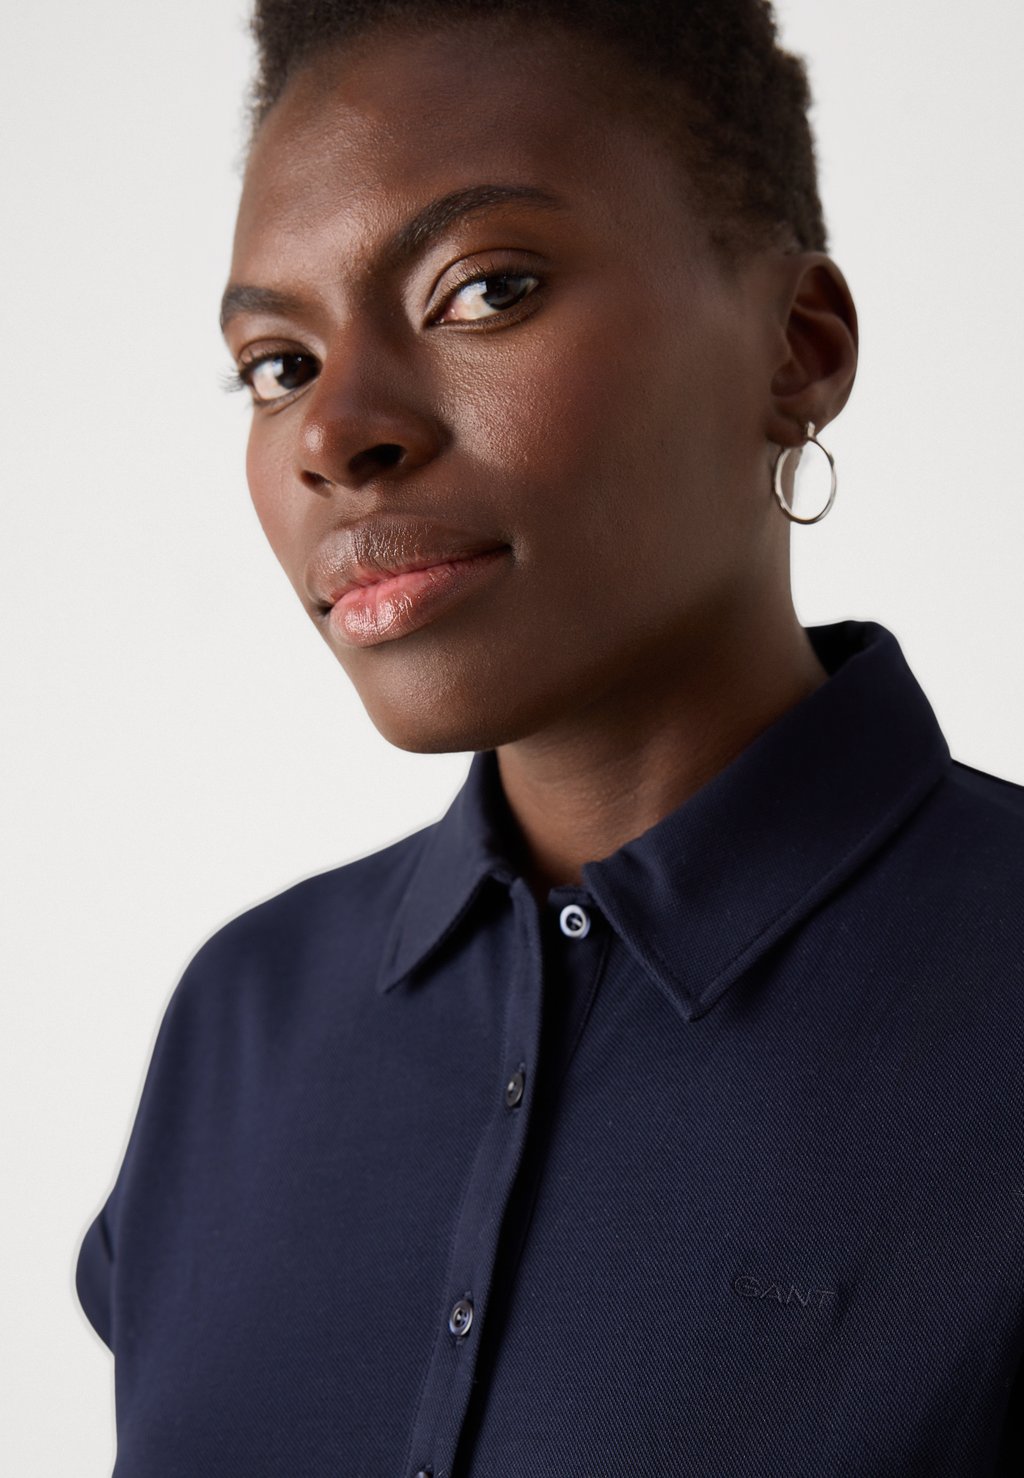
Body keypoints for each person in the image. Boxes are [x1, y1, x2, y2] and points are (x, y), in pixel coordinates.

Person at [75, 1, 1024, 1473]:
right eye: (278, 365)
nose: (336, 433)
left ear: (798, 349)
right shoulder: (240, 1023)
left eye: (484, 290)